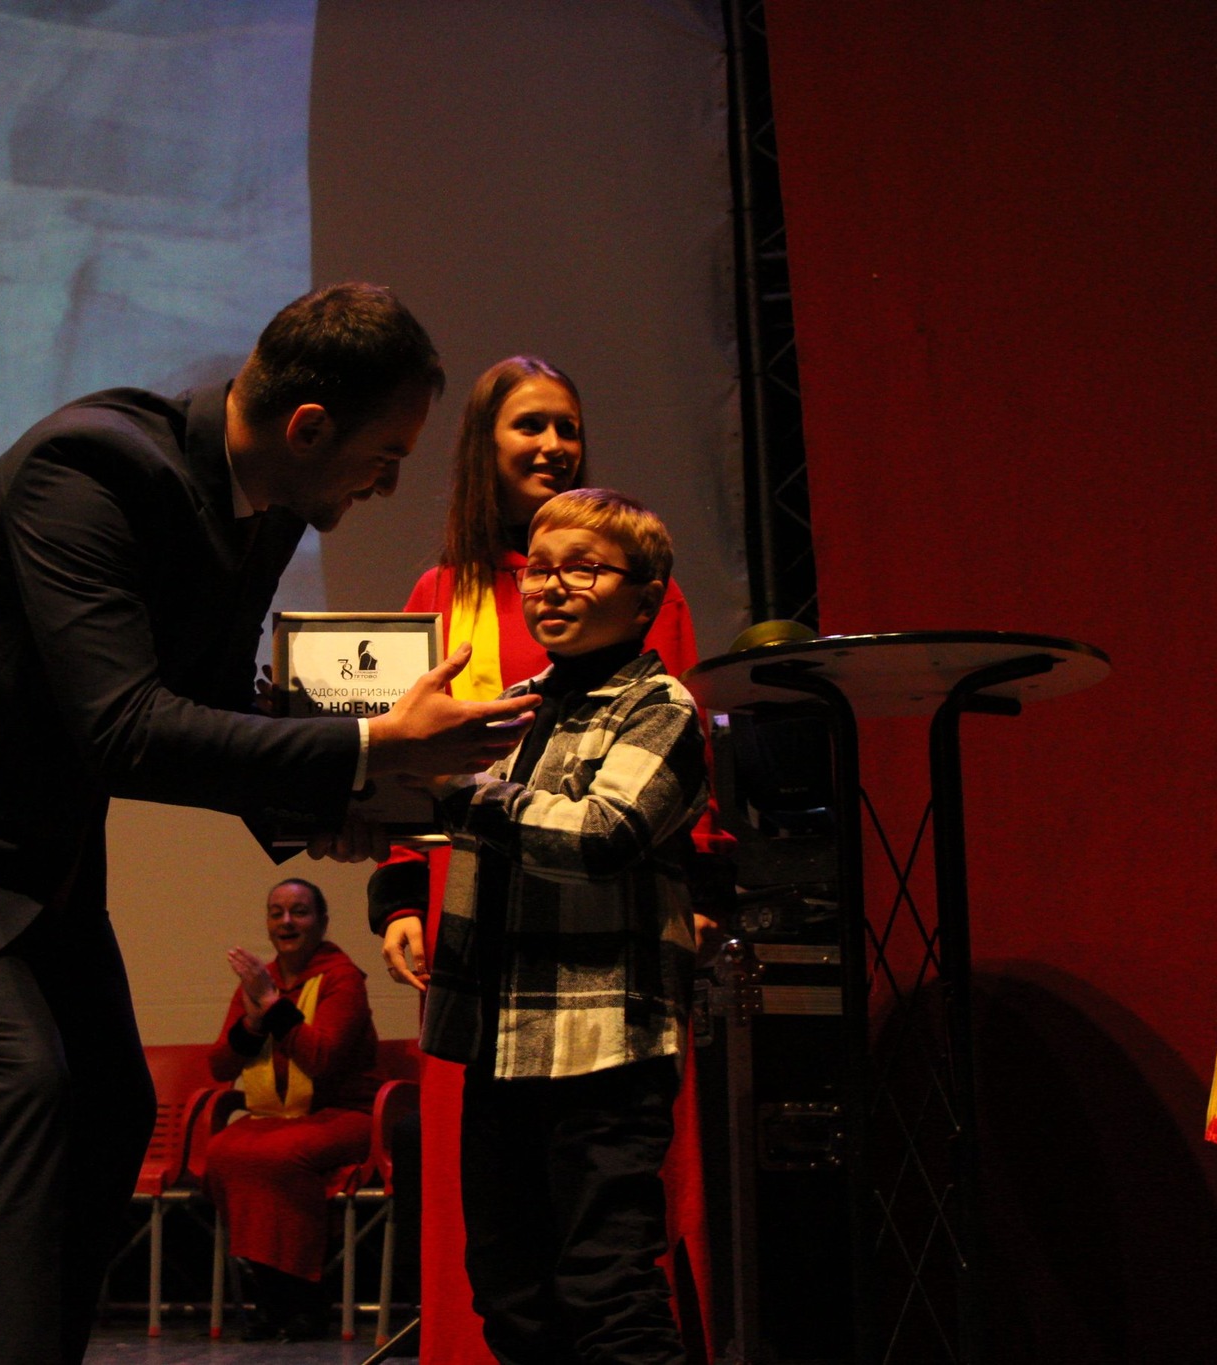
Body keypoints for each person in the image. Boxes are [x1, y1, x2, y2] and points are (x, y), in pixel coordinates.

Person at [0, 282, 540, 1365]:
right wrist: (368, 748)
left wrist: (346, 800)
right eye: (383, 456)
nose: (387, 483)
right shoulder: (91, 466)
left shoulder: (270, 509)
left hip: (31, 827)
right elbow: (126, 728)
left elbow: (202, 706)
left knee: (111, 1101)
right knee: (17, 1082)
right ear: (309, 428)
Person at [366, 356, 717, 1361]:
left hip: (602, 983)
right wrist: (394, 877)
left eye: (567, 425)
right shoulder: (452, 595)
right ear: (482, 446)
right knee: (509, 1274)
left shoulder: (645, 630)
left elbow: (625, 815)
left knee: (603, 1267)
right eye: (529, 425)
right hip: (488, 970)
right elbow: (409, 756)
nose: (554, 444)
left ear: (639, 596)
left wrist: (700, 888)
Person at [206, 879, 378, 1343]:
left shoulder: (342, 978)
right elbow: (220, 1066)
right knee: (223, 1150)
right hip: (276, 1117)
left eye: (299, 912)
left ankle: (304, 1299)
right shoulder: (260, 981)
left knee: (280, 1155)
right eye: (276, 912)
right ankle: (272, 1296)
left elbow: (322, 1059)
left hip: (346, 1115)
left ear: (321, 922)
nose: (286, 922)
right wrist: (252, 1020)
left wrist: (273, 1006)